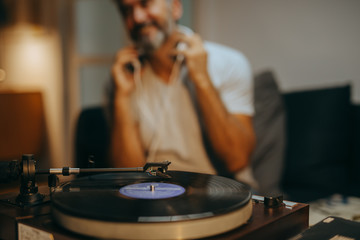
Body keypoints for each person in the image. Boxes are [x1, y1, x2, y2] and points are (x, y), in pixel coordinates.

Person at [109, 0, 256, 186]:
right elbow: (129, 177)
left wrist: (202, 80)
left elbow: (237, 160)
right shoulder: (123, 75)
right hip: (156, 196)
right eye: (126, 10)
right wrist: (121, 98)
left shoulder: (230, 63)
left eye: (145, 3)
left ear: (176, 7)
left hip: (222, 193)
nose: (136, 17)